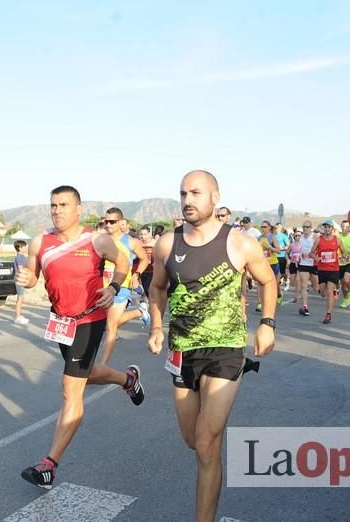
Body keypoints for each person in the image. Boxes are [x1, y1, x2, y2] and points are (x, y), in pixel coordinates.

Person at [148, 170, 276, 522]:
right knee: (195, 441)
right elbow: (157, 288)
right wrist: (157, 326)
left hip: (226, 349)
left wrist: (267, 324)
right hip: (182, 350)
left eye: (196, 193)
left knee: (205, 441)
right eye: (183, 193)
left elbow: (268, 281)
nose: (188, 200)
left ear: (214, 197)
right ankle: (214, 457)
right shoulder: (167, 244)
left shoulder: (240, 243)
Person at [16, 185, 144, 489]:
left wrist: (112, 288)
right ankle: (127, 379)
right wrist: (27, 278)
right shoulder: (40, 242)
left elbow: (124, 263)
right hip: (61, 322)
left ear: (78, 209)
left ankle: (49, 465)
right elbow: (34, 276)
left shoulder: (96, 240)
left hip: (90, 318)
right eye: (53, 205)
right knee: (84, 375)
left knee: (70, 388)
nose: (57, 210)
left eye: (63, 205)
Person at [101, 207, 151, 363]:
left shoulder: (130, 241)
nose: (108, 225)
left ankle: (102, 365)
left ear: (120, 222)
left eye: (112, 222)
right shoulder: (100, 240)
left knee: (110, 327)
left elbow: (144, 259)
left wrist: (136, 275)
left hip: (121, 287)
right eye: (105, 221)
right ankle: (139, 312)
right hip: (102, 287)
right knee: (108, 325)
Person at [310, 220, 346, 323]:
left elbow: (344, 252)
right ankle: (333, 292)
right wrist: (316, 258)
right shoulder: (318, 240)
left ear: (332, 229)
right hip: (322, 269)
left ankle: (328, 314)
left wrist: (342, 257)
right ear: (323, 229)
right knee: (322, 293)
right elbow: (311, 253)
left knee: (330, 290)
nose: (327, 229)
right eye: (325, 227)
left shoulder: (337, 240)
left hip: (334, 269)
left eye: (329, 227)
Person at [13, 240, 29, 324]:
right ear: (19, 248)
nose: (26, 248)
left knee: (21, 297)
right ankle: (17, 316)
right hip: (20, 279)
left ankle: (19, 315)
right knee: (20, 298)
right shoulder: (18, 257)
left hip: (23, 279)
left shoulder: (23, 256)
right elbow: (20, 268)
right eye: (24, 247)